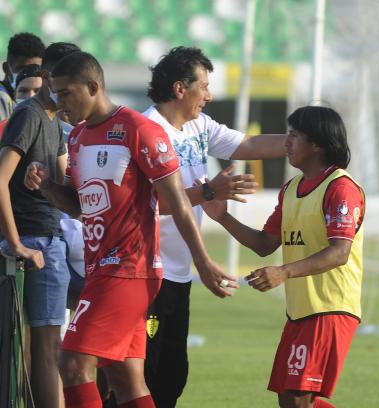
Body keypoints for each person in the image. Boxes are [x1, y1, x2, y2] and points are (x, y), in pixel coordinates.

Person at [24, 51, 238, 408]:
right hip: (101, 270)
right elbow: (82, 207)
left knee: (73, 364)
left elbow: (178, 203)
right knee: (126, 380)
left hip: (129, 270)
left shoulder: (139, 130)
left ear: (93, 87)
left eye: (65, 93)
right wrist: (47, 187)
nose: (59, 103)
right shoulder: (77, 138)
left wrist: (202, 261)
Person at [142, 46, 286, 408]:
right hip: (145, 273)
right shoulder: (144, 131)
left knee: (172, 376)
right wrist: (208, 191)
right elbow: (145, 204)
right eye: (203, 86)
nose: (209, 95)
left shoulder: (198, 126)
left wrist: (306, 142)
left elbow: (248, 144)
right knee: (140, 376)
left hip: (178, 273)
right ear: (179, 89)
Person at [204, 106, 365, 408]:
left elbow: (339, 252)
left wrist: (283, 272)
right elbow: (265, 244)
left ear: (317, 144)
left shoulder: (340, 187)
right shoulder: (291, 189)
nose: (286, 143)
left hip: (330, 307)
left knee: (297, 398)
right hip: (301, 310)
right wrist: (223, 217)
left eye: (294, 136)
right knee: (290, 398)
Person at [0, 42, 73, 408]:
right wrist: (15, 243)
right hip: (35, 241)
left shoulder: (55, 122)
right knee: (46, 349)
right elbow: (0, 179)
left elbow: (65, 192)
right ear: (50, 78)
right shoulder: (29, 114)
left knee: (45, 350)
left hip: (50, 238)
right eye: (69, 84)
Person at [0, 32, 45, 120]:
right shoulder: (2, 99)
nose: (29, 74)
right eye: (22, 69)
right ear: (6, 69)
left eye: (35, 68)